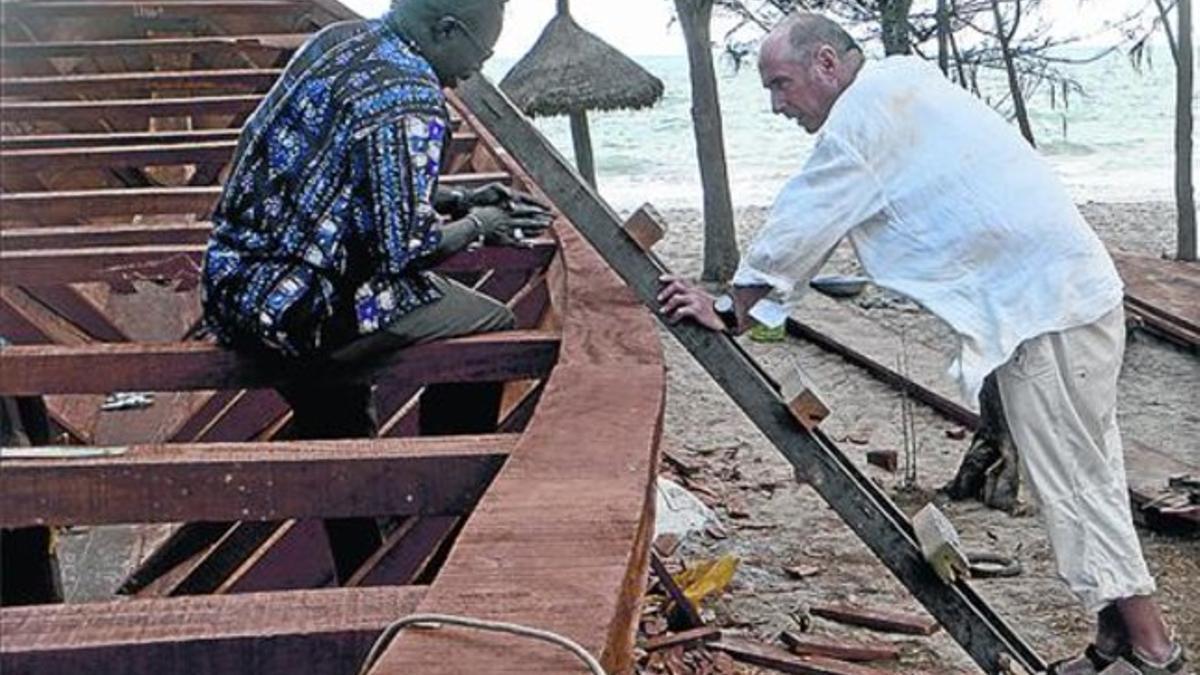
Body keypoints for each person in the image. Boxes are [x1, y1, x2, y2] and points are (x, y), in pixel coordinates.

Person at [657, 12, 1187, 675]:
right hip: (1063, 294)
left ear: (826, 64)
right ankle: (1114, 645)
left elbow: (806, 213)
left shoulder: (863, 119)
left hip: (1045, 308)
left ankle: (1153, 651)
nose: (778, 104)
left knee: (1077, 481)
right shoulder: (901, 79)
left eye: (782, 84)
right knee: (1084, 470)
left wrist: (733, 306)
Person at [201, 0, 551, 438]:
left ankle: (347, 455)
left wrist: (459, 198)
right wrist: (482, 223)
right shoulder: (413, 98)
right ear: (445, 30)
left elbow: (335, 174)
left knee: (342, 418)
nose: (474, 72)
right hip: (302, 313)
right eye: (481, 55)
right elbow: (403, 250)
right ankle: (446, 480)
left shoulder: (338, 42)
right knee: (491, 322)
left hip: (232, 288)